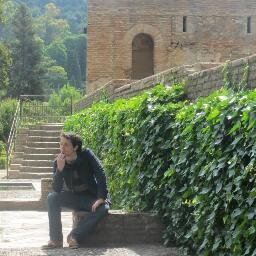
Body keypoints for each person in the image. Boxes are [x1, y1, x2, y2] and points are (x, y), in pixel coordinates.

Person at [42, 132, 109, 249]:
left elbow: (100, 173)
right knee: (52, 198)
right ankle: (56, 239)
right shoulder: (58, 162)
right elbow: (56, 189)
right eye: (60, 144)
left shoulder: (87, 155)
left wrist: (101, 198)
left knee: (104, 208)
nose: (62, 148)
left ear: (75, 147)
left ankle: (74, 236)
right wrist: (60, 169)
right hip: (73, 197)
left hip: (90, 197)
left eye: (66, 145)